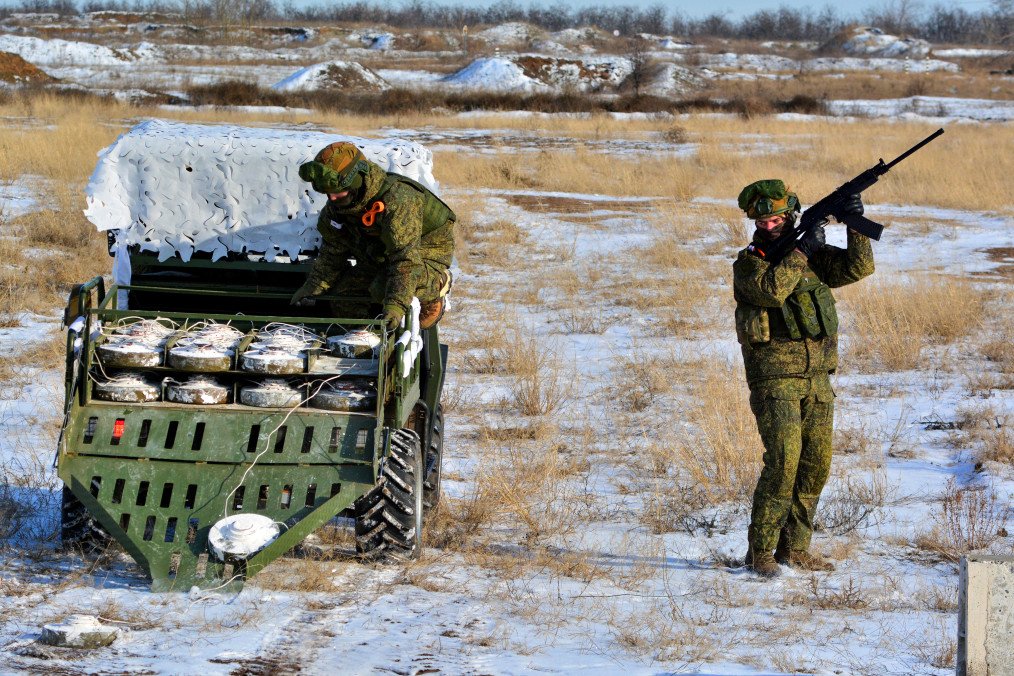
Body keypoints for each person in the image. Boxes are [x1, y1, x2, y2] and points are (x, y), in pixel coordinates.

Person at [733, 179, 875, 578]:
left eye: (777, 217)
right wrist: (800, 250)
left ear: (790, 213)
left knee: (815, 465)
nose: (770, 224)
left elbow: (859, 267)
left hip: (817, 376)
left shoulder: (808, 255)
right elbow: (770, 292)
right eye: (763, 220)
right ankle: (759, 552)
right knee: (782, 462)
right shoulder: (751, 263)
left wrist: (854, 224)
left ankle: (794, 549)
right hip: (775, 378)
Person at [291, 142, 455, 330]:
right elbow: (334, 249)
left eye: (338, 192)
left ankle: (435, 286)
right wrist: (313, 285)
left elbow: (405, 260)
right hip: (381, 253)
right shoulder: (339, 206)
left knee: (383, 288)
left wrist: (395, 306)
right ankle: (365, 342)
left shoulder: (398, 200)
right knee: (344, 295)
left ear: (356, 182)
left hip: (424, 251)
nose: (332, 199)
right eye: (327, 193)